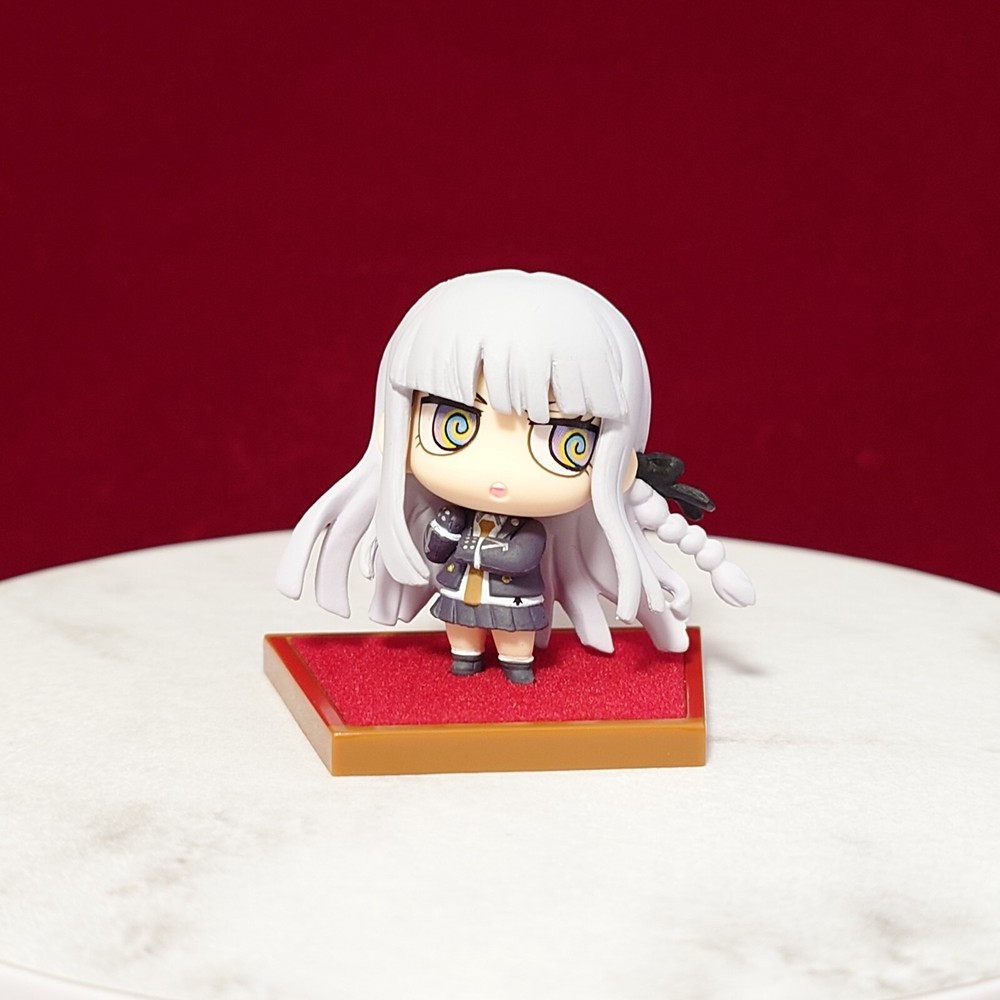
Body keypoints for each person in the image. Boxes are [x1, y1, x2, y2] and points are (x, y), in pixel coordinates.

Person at [277, 269, 754, 683]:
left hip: (513, 601)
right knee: (463, 632)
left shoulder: (525, 530)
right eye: (455, 423)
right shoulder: (451, 512)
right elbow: (437, 548)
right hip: (461, 595)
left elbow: (523, 552)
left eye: (564, 439)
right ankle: (466, 656)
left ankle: (516, 663)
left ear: (619, 460)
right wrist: (445, 532)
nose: (498, 469)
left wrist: (471, 549)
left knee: (513, 639)